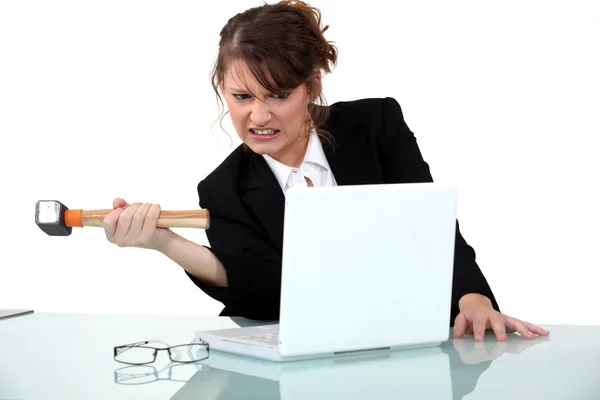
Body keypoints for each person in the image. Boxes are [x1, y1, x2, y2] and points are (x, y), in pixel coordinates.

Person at [102, 0, 549, 342]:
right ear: (222, 89)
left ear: (312, 85)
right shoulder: (222, 189)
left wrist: (473, 297)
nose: (258, 116)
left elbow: (429, 226)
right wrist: (162, 241)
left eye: (278, 95)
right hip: (298, 351)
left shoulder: (376, 125)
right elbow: (260, 288)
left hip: (402, 337)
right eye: (241, 97)